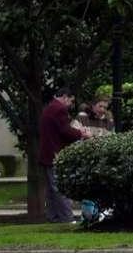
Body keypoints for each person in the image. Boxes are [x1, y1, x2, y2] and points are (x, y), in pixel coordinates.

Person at [39, 88, 90, 223]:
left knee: (51, 190)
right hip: (55, 153)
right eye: (71, 101)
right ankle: (66, 218)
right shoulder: (59, 109)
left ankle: (54, 216)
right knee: (59, 188)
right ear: (65, 97)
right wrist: (81, 134)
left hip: (47, 153)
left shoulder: (49, 108)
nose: (70, 104)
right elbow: (65, 131)